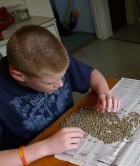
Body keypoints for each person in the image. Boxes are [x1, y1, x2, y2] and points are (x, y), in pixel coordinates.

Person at [0, 25, 121, 165]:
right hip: (32, 154)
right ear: (19, 76)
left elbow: (92, 74)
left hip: (69, 132)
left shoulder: (55, 61)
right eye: (51, 82)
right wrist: (47, 147)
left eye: (62, 77)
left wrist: (104, 92)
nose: (61, 84)